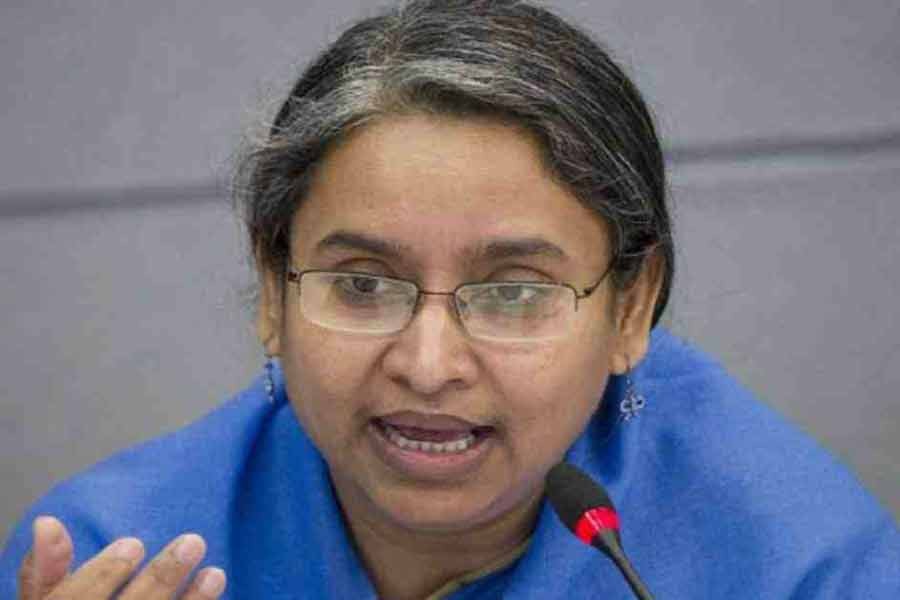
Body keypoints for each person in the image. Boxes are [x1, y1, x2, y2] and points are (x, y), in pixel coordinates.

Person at [2, 0, 899, 598]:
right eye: (363, 285)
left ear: (631, 310)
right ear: (273, 294)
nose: (428, 367)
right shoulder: (102, 560)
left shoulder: (804, 566)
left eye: (512, 293)